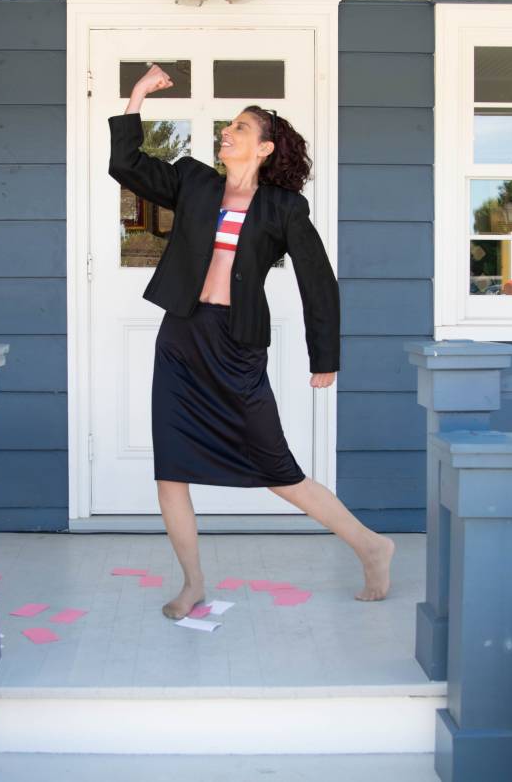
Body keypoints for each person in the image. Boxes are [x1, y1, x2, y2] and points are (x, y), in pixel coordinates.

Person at [108, 64, 396, 620]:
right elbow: (126, 164)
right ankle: (191, 583)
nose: (228, 132)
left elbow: (319, 282)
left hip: (236, 346)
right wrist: (138, 94)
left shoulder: (283, 209)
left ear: (264, 147)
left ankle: (371, 545)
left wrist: (325, 358)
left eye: (240, 127)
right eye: (229, 126)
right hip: (181, 340)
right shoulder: (194, 182)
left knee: (279, 471)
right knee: (170, 468)